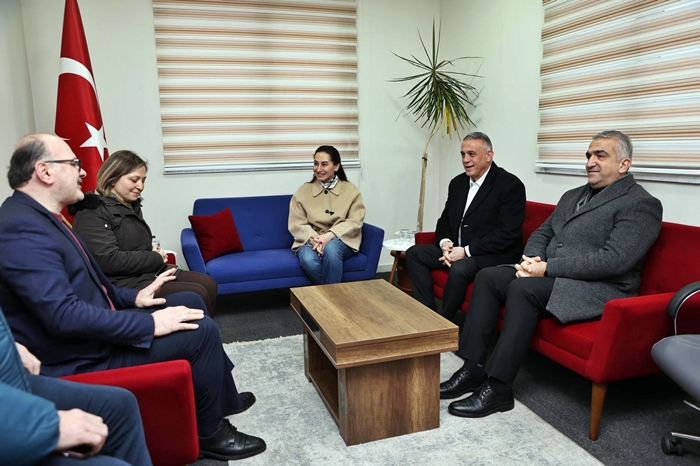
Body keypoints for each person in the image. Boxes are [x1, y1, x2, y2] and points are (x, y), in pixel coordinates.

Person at [0, 134, 266, 461]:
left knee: (191, 307)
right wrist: (149, 325)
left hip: (93, 332)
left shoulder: (42, 218)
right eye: (74, 163)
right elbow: (64, 315)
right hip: (81, 354)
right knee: (201, 332)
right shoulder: (22, 228)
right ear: (45, 171)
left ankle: (217, 404)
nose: (83, 171)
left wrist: (134, 298)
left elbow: (93, 285)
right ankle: (210, 432)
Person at [440, 130, 663, 419]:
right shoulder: (573, 195)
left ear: (624, 164)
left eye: (600, 155)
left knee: (522, 289)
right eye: (589, 155)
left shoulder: (641, 203)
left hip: (598, 288)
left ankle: (498, 388)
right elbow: (542, 233)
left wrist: (546, 268)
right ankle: (473, 368)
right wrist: (533, 259)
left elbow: (614, 261)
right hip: (553, 274)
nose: (590, 162)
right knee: (490, 277)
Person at [69, 150, 217, 314]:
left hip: (143, 272)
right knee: (196, 293)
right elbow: (108, 260)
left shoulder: (129, 205)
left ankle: (203, 327)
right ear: (112, 178)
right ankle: (200, 328)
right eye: (134, 180)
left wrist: (151, 251)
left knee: (208, 284)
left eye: (143, 180)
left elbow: (131, 244)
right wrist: (155, 257)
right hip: (120, 283)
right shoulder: (91, 211)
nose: (140, 186)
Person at [0, 307, 151, 466]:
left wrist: (11, 344)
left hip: (11, 382)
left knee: (119, 405)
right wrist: (47, 426)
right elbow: (64, 314)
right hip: (15, 412)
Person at [406, 132, 526, 320]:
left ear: (489, 155)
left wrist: (466, 251)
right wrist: (445, 243)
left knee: (460, 268)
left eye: (472, 154)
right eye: (463, 154)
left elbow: (507, 233)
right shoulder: (457, 183)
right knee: (414, 253)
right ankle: (427, 316)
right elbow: (445, 219)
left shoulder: (509, 185)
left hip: (489, 254)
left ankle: (443, 322)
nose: (465, 160)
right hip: (456, 249)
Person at [288, 145, 366, 285]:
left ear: (336, 166)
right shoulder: (303, 191)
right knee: (308, 259)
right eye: (316, 163)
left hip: (342, 240)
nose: (318, 169)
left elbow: (355, 221)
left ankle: (330, 297)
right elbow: (296, 222)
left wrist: (329, 235)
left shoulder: (351, 191)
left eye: (324, 164)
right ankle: (335, 295)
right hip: (310, 241)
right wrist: (314, 239)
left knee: (331, 248)